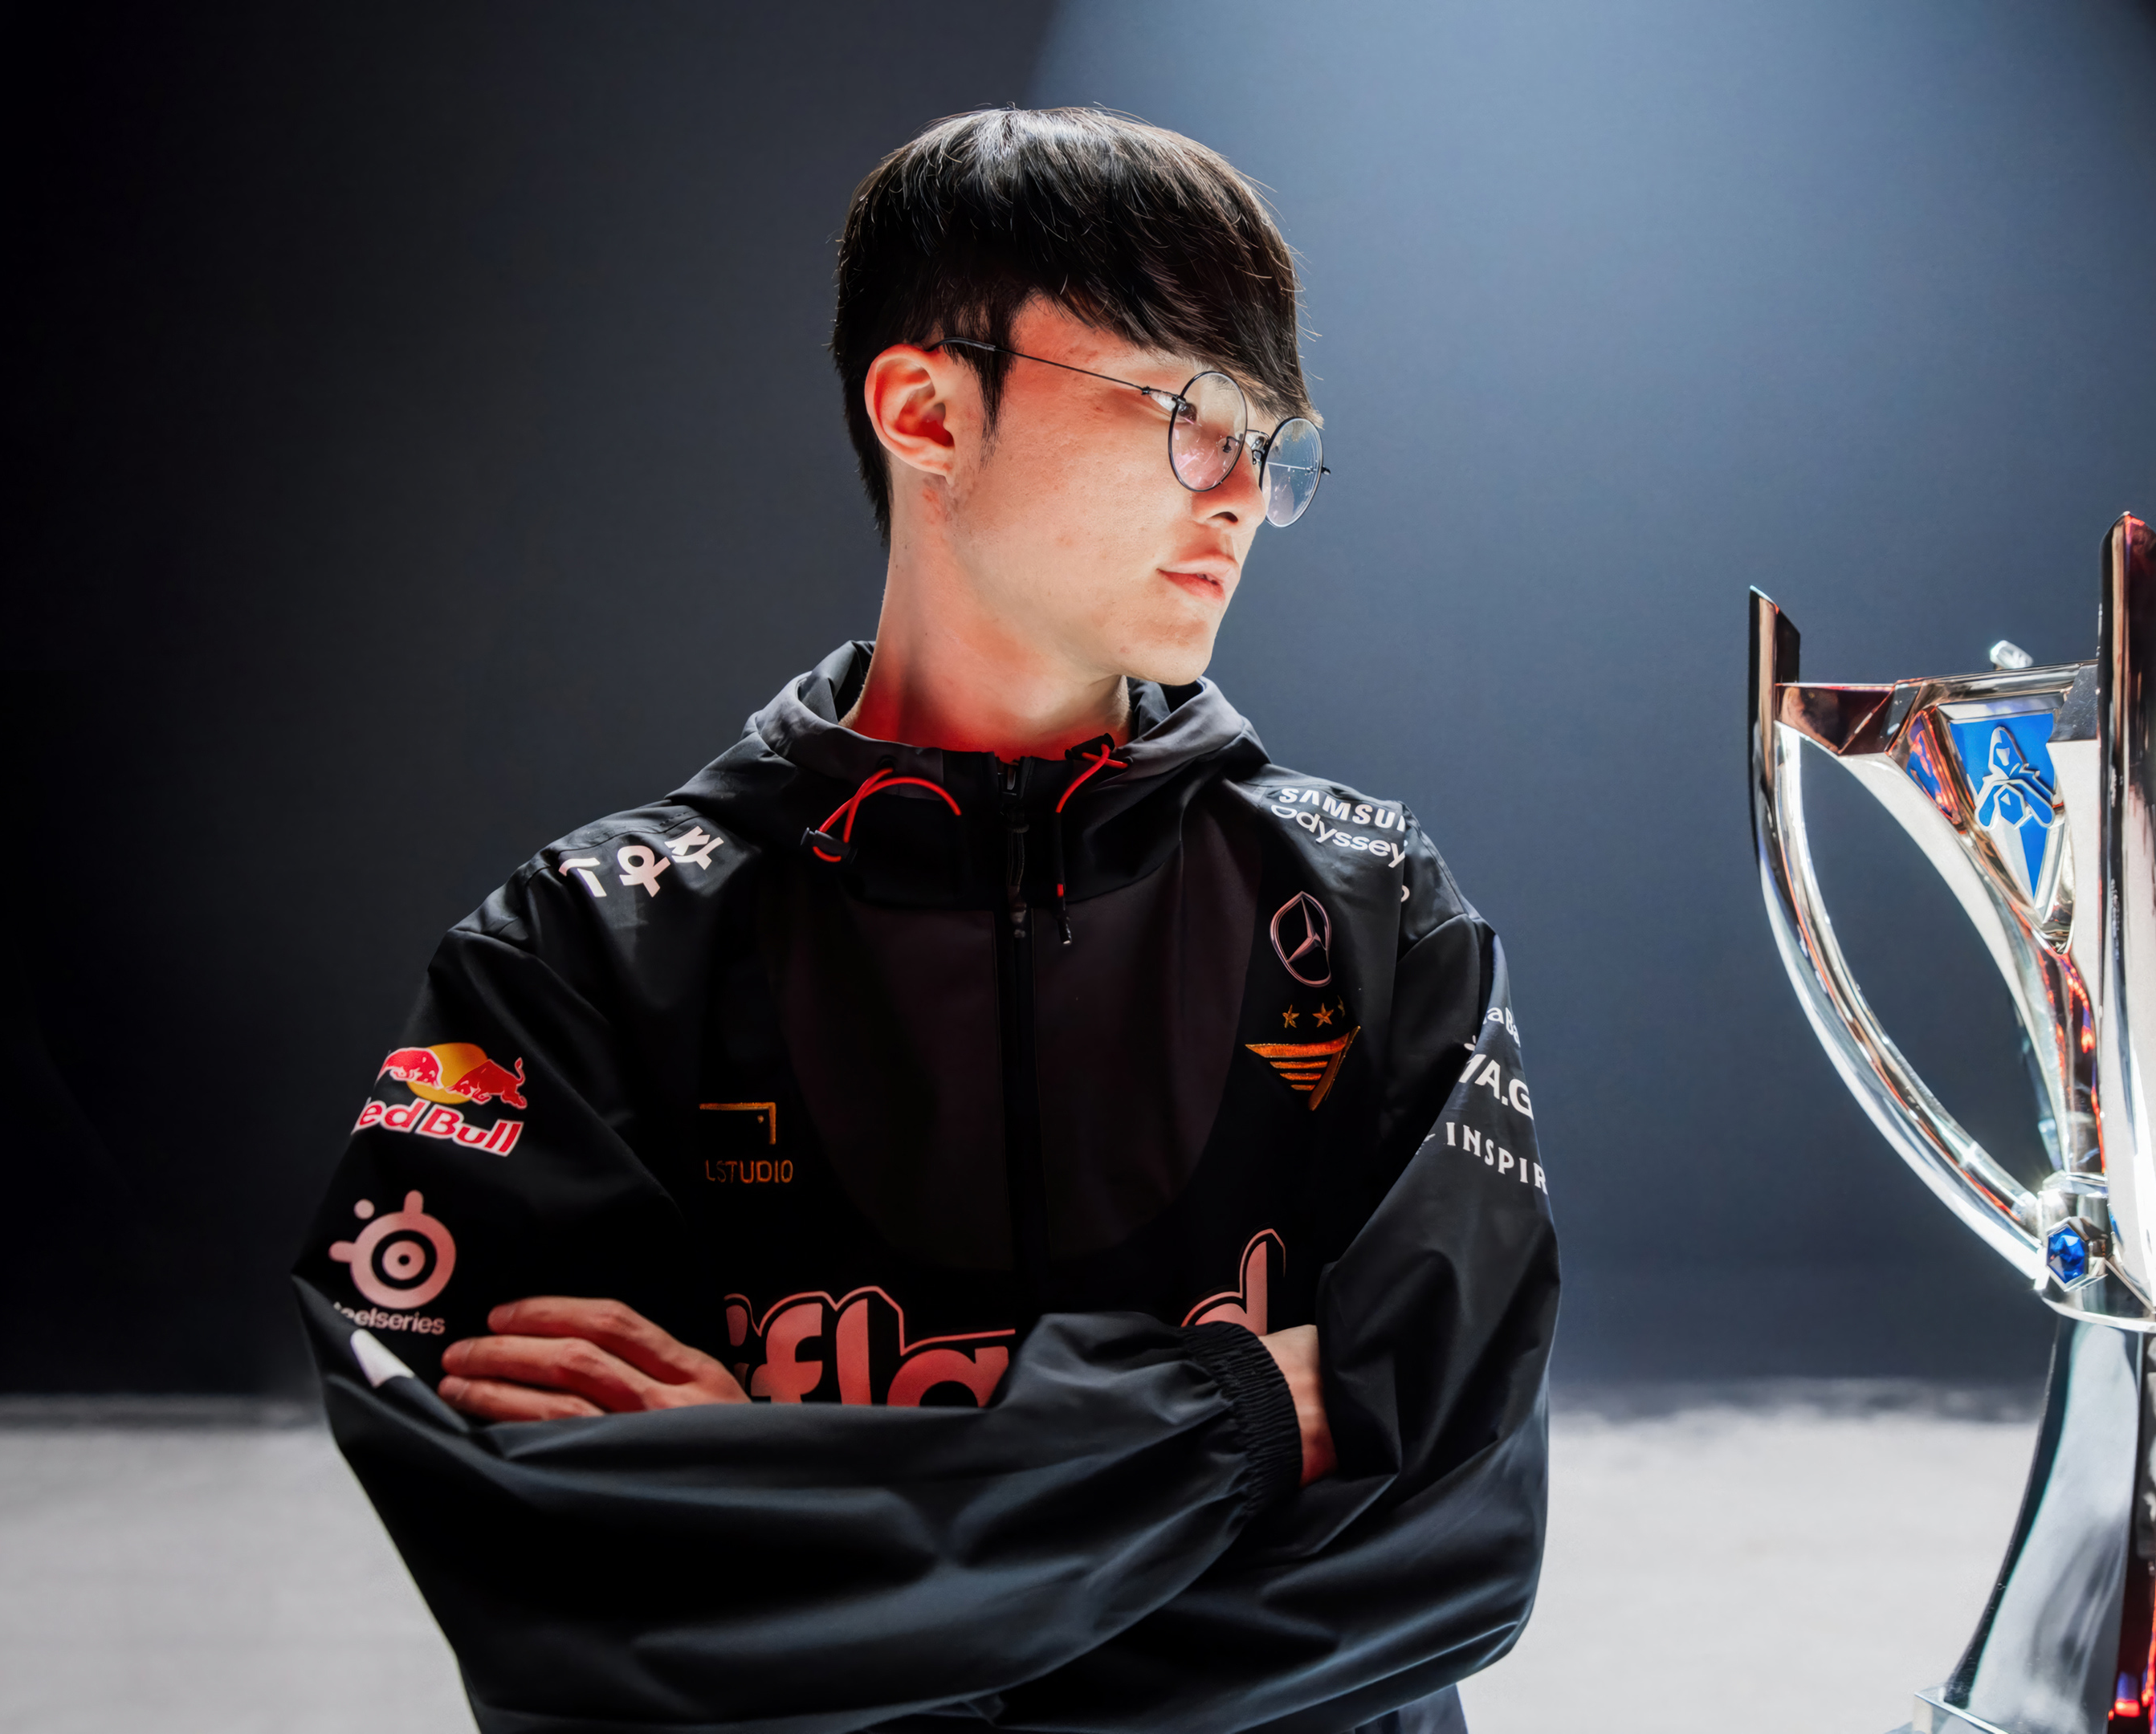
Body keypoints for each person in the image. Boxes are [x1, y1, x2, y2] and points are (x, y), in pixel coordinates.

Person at [294, 107, 1555, 1734]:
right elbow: (564, 1591)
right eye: (1187, 411)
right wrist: (1248, 1419)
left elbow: (1447, 1556)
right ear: (926, 407)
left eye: (1275, 439)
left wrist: (777, 1491)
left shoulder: (1377, 907)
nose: (1244, 490)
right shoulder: (577, 953)